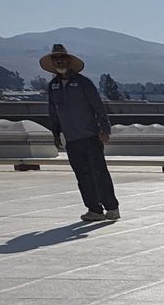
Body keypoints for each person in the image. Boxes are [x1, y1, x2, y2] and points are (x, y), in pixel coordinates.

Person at [40, 43, 120, 223]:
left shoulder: (83, 83)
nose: (59, 61)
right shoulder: (53, 87)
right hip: (72, 139)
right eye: (56, 59)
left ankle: (112, 207)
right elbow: (53, 111)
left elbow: (98, 107)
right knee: (82, 176)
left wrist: (104, 129)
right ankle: (94, 209)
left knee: (99, 172)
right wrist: (55, 133)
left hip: (90, 136)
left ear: (69, 61)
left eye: (62, 58)